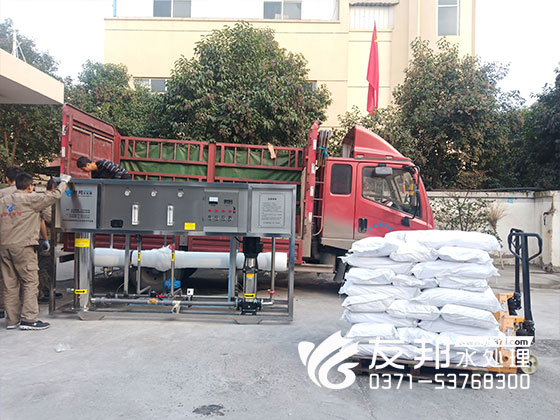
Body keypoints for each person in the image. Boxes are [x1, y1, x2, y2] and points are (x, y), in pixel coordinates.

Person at [0, 172, 70, 330]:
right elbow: (54, 196)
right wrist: (64, 182)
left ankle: (12, 321)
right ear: (30, 186)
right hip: (23, 247)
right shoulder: (31, 199)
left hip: (4, 246)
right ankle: (29, 319)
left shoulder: (3, 201)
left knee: (9, 284)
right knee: (30, 281)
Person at [0, 166, 24, 319]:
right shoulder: (28, 194)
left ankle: (5, 310)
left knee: (6, 278)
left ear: (7, 179)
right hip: (23, 242)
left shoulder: (2, 194)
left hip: (3, 240)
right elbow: (44, 218)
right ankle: (24, 314)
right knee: (27, 280)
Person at [38, 178, 62, 303]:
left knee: (49, 265)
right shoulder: (46, 199)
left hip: (50, 237)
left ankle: (47, 290)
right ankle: (41, 293)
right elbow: (48, 218)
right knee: (43, 266)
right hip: (44, 238)